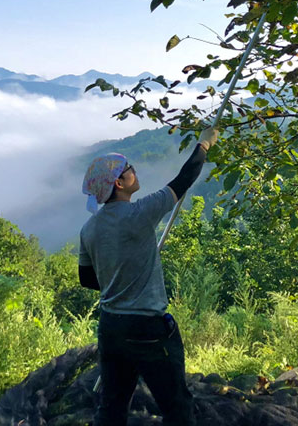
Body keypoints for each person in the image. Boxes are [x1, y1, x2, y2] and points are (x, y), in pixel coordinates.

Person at [78, 127, 219, 426]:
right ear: (119, 182)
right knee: (177, 406)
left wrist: (122, 274)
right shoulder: (140, 214)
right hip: (148, 330)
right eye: (128, 169)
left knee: (112, 407)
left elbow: (87, 280)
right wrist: (204, 145)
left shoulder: (88, 230)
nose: (134, 170)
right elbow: (182, 181)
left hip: (111, 328)